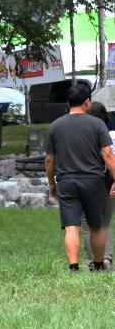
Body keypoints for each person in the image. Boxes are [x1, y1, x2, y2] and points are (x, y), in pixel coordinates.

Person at [45, 83, 115, 272]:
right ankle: (99, 265)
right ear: (87, 102)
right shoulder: (97, 124)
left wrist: (52, 182)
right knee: (97, 225)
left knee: (71, 226)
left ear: (68, 102)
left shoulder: (55, 126)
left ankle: (73, 267)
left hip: (66, 181)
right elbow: (108, 155)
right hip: (93, 180)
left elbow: (50, 160)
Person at [80, 101, 115, 270]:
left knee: (88, 225)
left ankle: (93, 261)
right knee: (106, 222)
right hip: (109, 182)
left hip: (87, 183)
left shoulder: (81, 137)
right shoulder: (112, 136)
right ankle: (107, 259)